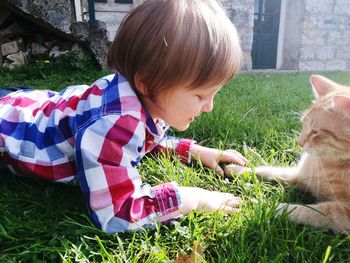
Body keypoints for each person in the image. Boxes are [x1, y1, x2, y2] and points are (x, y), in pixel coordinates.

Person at [0, 0, 248, 233]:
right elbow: (116, 212)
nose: (209, 107)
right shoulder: (111, 124)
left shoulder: (144, 98)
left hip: (30, 105)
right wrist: (192, 198)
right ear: (147, 81)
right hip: (9, 125)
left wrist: (192, 151)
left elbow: (143, 139)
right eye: (200, 95)